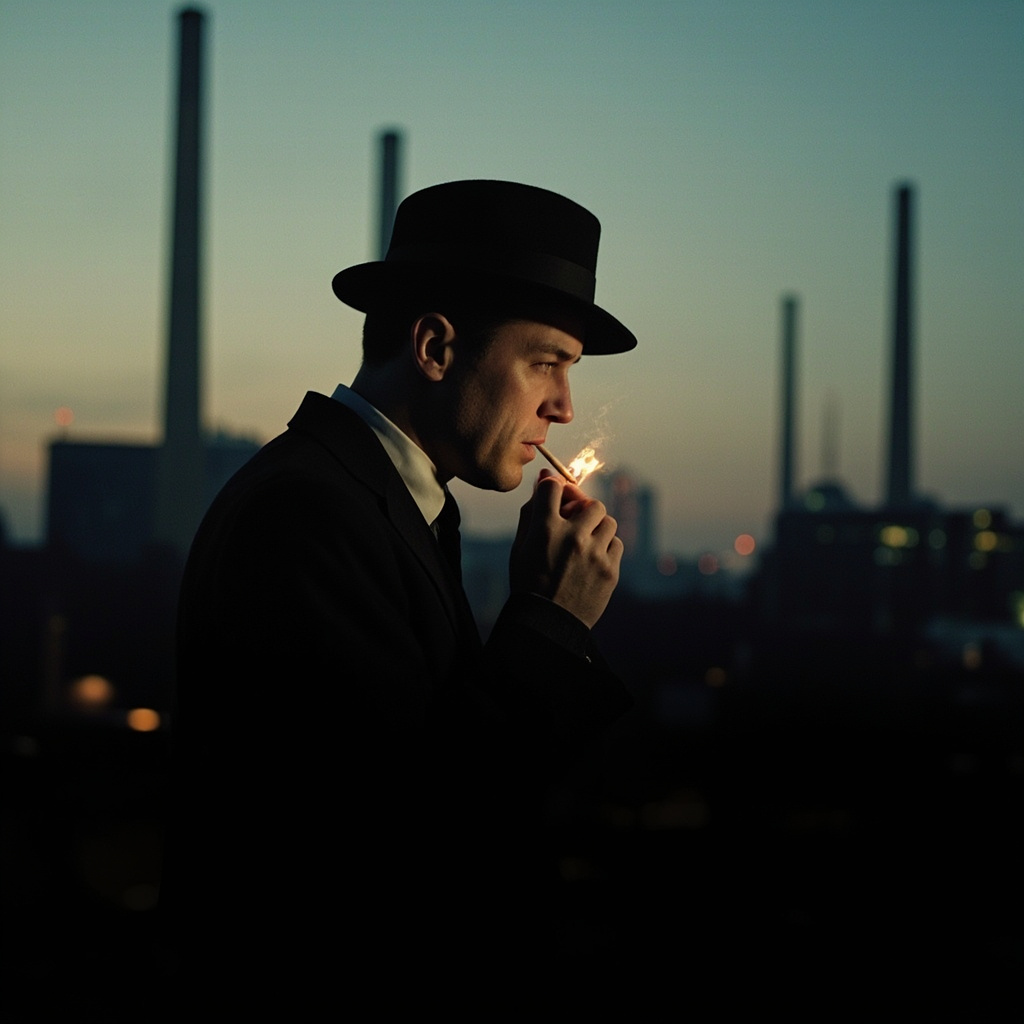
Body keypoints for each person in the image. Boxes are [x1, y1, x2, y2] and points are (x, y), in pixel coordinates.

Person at [168, 180, 637, 1015]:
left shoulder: (377, 502)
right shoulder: (308, 516)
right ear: (434, 346)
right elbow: (411, 836)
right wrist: (550, 624)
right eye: (546, 363)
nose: (563, 407)